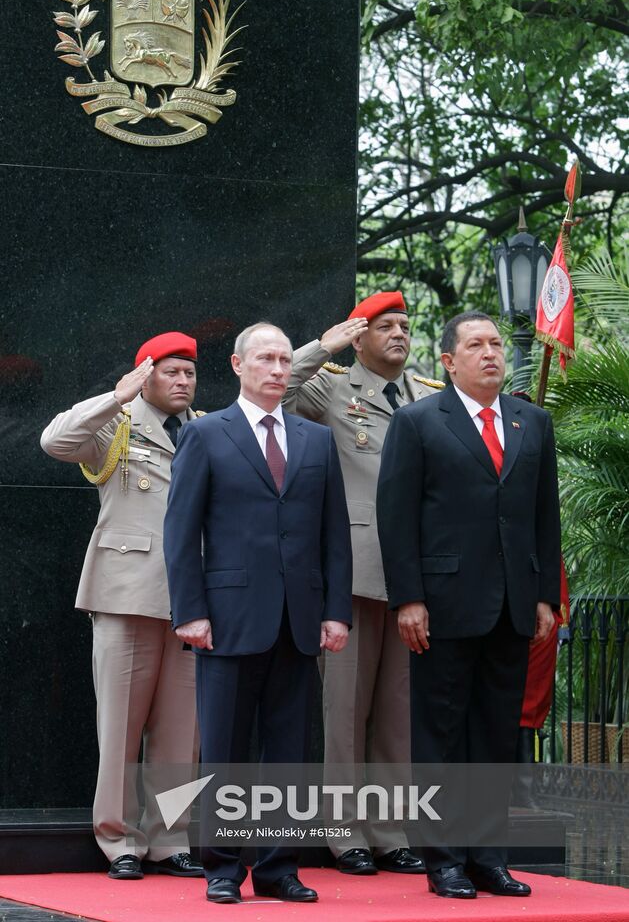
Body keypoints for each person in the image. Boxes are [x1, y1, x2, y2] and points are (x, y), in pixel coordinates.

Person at [164, 322, 353, 904]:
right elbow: (180, 529)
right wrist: (189, 611)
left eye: (283, 360)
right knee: (226, 749)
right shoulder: (207, 435)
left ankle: (278, 869)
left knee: (290, 754)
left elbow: (334, 534)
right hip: (226, 619)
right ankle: (222, 868)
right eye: (266, 359)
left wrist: (336, 612)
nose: (277, 369)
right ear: (238, 366)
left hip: (299, 622)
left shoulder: (316, 440)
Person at [377, 311, 561, 899]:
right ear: (449, 361)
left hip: (512, 606)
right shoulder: (418, 422)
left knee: (494, 736)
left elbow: (543, 518)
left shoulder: (533, 422)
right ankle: (444, 859)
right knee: (441, 735)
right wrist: (408, 598)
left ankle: (488, 856)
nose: (490, 353)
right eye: (475, 345)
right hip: (444, 605)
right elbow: (396, 517)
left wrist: (543, 597)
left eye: (496, 344)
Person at [283, 291, 440, 875]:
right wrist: (325, 345)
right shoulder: (330, 386)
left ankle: (390, 829)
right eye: (385, 326)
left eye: (404, 325)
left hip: (413, 577)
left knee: (398, 709)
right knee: (344, 708)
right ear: (360, 336)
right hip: (351, 568)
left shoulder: (427, 397)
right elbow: (278, 391)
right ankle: (343, 830)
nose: (399, 334)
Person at [40, 332, 204, 880]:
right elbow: (55, 440)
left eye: (189, 373)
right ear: (146, 374)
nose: (182, 382)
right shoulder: (120, 423)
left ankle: (171, 839)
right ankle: (119, 841)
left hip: (191, 601)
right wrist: (116, 396)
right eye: (171, 372)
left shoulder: (203, 429)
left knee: (183, 735)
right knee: (120, 731)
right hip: (127, 594)